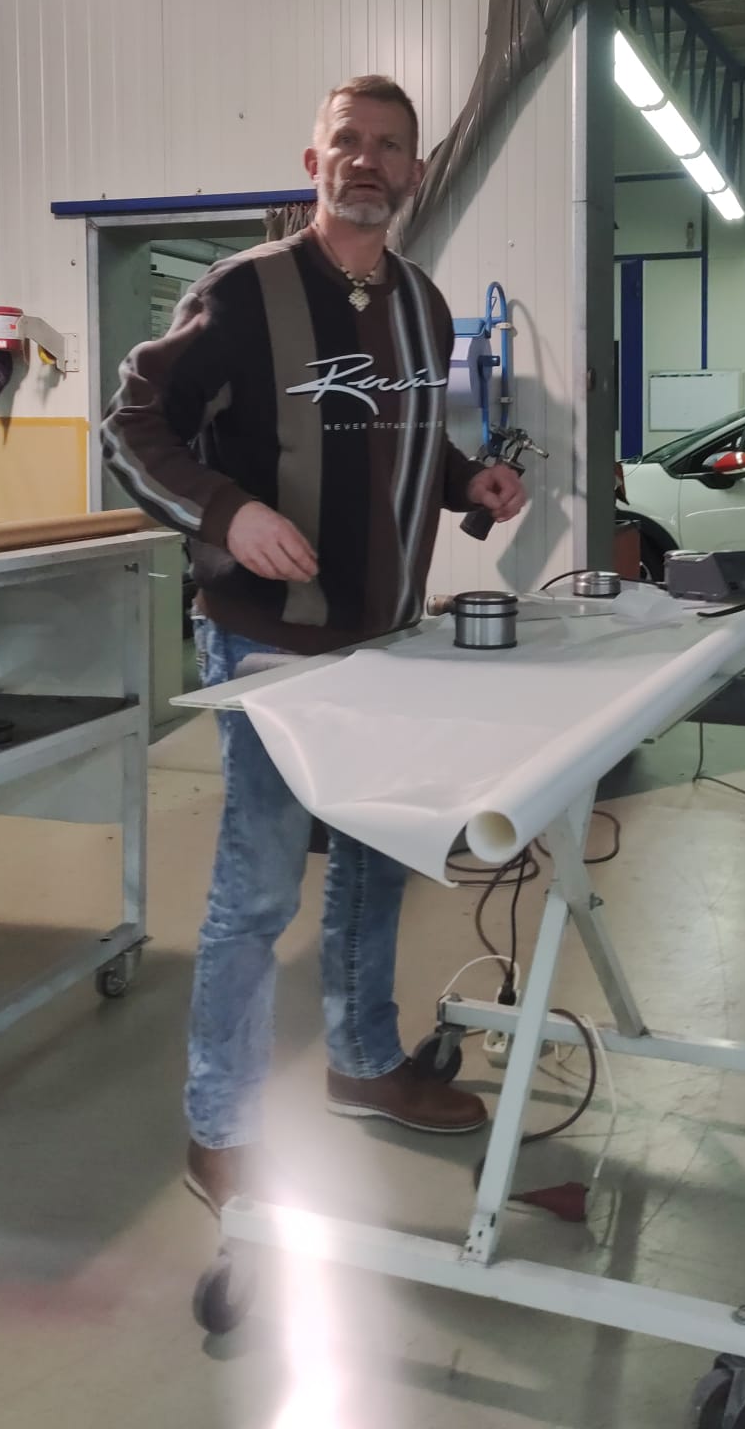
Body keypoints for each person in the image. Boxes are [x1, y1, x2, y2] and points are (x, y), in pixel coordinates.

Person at [102, 75, 527, 1213]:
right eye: (349, 140)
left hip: (386, 643)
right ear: (314, 162)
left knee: (377, 870)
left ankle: (363, 1062)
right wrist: (226, 512)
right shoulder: (243, 292)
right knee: (256, 895)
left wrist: (466, 484)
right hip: (269, 649)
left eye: (390, 145)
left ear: (415, 171)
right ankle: (221, 1124)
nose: (368, 160)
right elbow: (131, 425)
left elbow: (398, 439)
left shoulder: (423, 306)